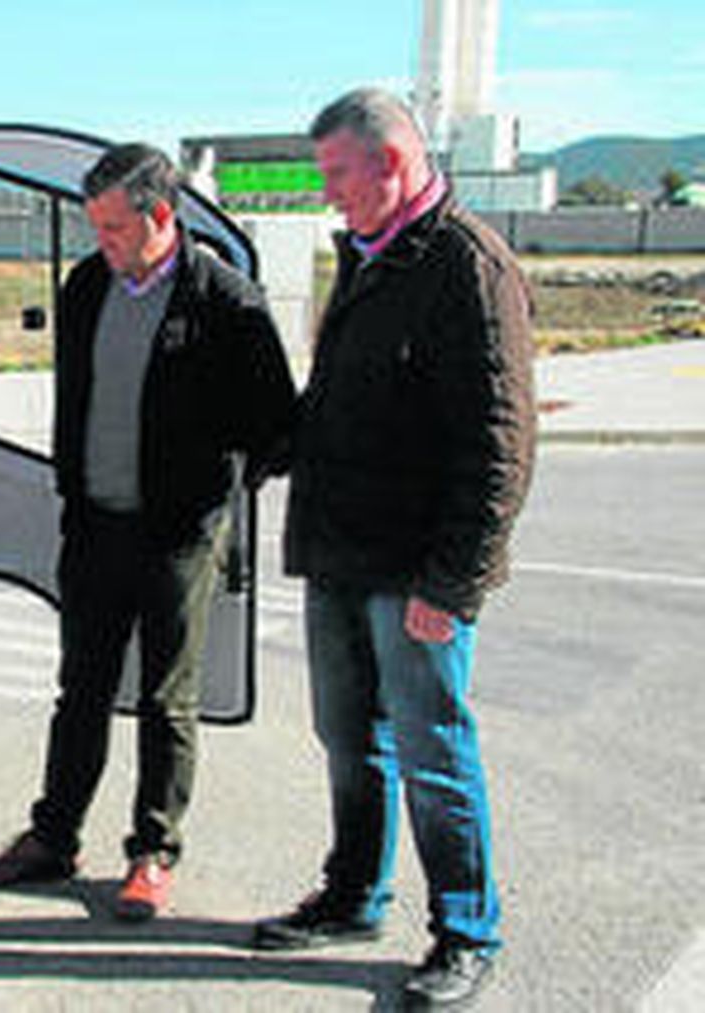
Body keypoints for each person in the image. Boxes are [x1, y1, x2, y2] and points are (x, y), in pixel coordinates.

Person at [254, 88, 536, 1010]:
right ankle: (353, 895)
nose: (328, 192)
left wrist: (452, 582)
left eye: (338, 172)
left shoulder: (466, 266)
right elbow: (342, 403)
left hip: (416, 571)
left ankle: (466, 931)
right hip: (340, 554)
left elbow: (501, 446)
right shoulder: (369, 253)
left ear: (392, 162)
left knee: (433, 752)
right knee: (350, 741)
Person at [0, 143, 296, 921]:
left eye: (115, 227)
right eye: (96, 226)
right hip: (95, 527)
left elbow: (277, 425)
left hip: (178, 536)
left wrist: (212, 496)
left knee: (166, 699)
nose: (103, 241)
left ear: (161, 216)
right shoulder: (86, 286)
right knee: (79, 689)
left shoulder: (224, 299)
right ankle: (53, 837)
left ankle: (152, 852)